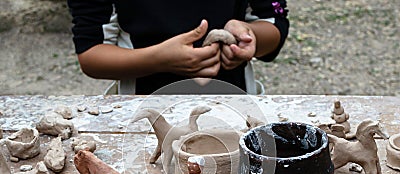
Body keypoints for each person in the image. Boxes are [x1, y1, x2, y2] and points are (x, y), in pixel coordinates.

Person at [67, 1, 289, 95]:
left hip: (235, 103)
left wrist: (249, 36)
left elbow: (274, 25)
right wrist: (159, 60)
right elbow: (91, 52)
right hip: (143, 107)